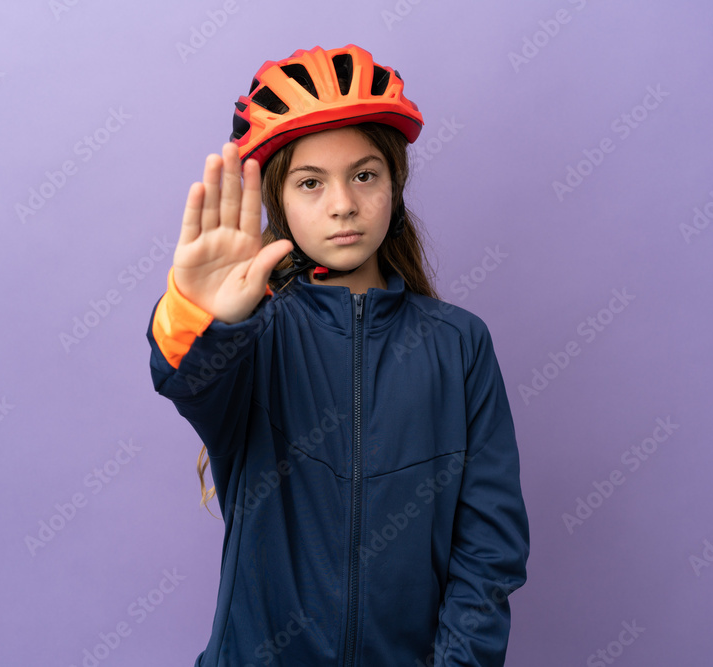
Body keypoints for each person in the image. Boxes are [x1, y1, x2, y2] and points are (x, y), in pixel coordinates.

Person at [147, 43, 530, 666]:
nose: (342, 204)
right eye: (309, 183)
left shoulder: (459, 344)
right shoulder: (254, 337)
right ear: (278, 200)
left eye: (364, 174)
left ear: (394, 184)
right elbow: (184, 378)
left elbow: (489, 548)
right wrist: (207, 316)